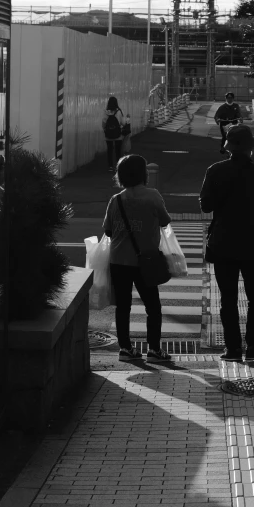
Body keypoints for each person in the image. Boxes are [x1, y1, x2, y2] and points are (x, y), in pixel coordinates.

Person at [199, 124, 254, 363]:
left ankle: (233, 349)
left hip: (222, 244)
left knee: (228, 299)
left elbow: (205, 206)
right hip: (252, 245)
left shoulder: (215, 171)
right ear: (251, 148)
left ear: (227, 147)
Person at [103, 154, 173, 364]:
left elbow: (107, 231)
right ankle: (154, 349)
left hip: (119, 261)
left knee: (123, 306)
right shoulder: (152, 196)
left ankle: (125, 348)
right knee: (152, 306)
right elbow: (165, 220)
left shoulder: (116, 200)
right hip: (146, 261)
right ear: (144, 174)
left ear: (120, 176)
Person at [102, 95, 124, 172]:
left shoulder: (106, 112)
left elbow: (103, 123)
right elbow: (122, 122)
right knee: (118, 150)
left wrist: (106, 129)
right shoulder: (118, 111)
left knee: (110, 150)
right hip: (118, 134)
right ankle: (118, 166)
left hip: (108, 134)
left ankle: (110, 166)